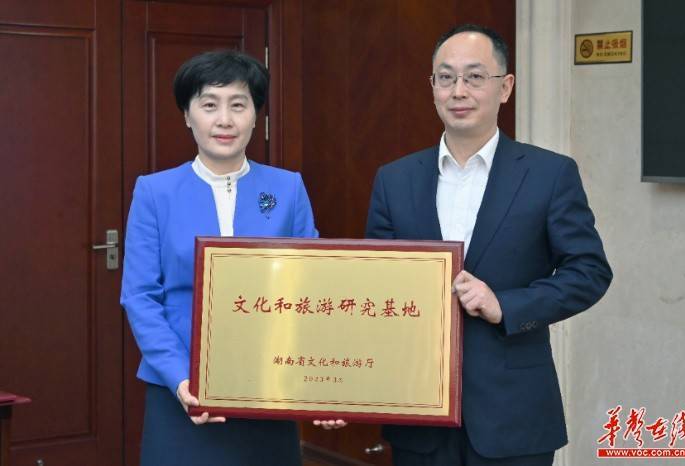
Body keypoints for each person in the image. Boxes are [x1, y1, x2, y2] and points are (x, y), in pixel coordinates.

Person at [365, 24, 613, 465]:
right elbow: (376, 282)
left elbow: (589, 271)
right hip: (419, 413)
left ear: (506, 87)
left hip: (513, 414)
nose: (458, 91)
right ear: (433, 87)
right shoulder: (394, 179)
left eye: (475, 76)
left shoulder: (549, 174)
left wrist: (506, 305)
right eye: (446, 77)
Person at [120, 50, 317, 466]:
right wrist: (180, 378)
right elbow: (140, 296)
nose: (224, 120)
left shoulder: (288, 189)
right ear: (187, 115)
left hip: (270, 388)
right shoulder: (155, 193)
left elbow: (312, 289)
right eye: (209, 105)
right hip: (180, 390)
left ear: (256, 116)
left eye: (238, 105)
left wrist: (325, 384)